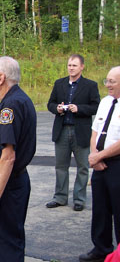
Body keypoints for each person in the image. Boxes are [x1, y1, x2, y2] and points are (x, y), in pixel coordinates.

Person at [0, 56, 36, 262]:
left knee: (6, 244)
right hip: (14, 182)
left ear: (1, 77)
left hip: (6, 184)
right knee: (11, 241)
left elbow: (8, 157)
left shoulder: (10, 106)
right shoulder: (20, 99)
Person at [46, 54, 100, 211]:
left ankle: (79, 199)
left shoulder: (90, 85)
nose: (71, 68)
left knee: (82, 167)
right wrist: (56, 108)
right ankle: (60, 197)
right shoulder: (59, 84)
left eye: (74, 65)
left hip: (80, 131)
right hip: (62, 129)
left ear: (82, 67)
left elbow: (96, 106)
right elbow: (50, 103)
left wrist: (79, 109)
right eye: (69, 65)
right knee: (61, 166)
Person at [79, 66, 120, 262]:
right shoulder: (105, 102)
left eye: (112, 81)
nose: (107, 85)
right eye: (107, 80)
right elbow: (96, 131)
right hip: (99, 163)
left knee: (118, 208)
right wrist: (95, 156)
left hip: (117, 163)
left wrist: (100, 156)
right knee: (100, 209)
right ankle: (101, 248)